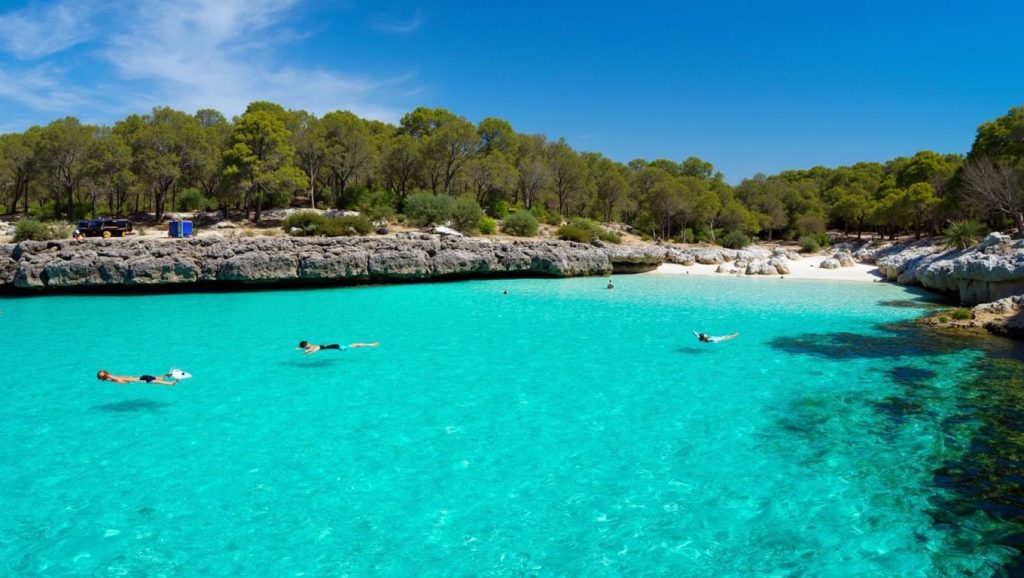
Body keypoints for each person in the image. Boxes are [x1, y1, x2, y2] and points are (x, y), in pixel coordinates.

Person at [97, 370, 177, 386]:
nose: (106, 375)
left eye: (105, 373)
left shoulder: (110, 376)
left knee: (157, 378)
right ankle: (170, 383)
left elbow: (118, 380)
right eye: (104, 375)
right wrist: (125, 381)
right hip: (136, 381)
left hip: (138, 378)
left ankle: (168, 375)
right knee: (153, 381)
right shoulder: (110, 378)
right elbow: (118, 381)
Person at [298, 340, 379, 355]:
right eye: (307, 343)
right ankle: (372, 345)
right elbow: (314, 350)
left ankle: (372, 345)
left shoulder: (310, 346)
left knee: (355, 345)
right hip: (339, 347)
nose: (309, 343)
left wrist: (300, 348)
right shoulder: (314, 348)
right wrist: (307, 352)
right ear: (306, 345)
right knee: (356, 344)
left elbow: (308, 348)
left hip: (336, 346)